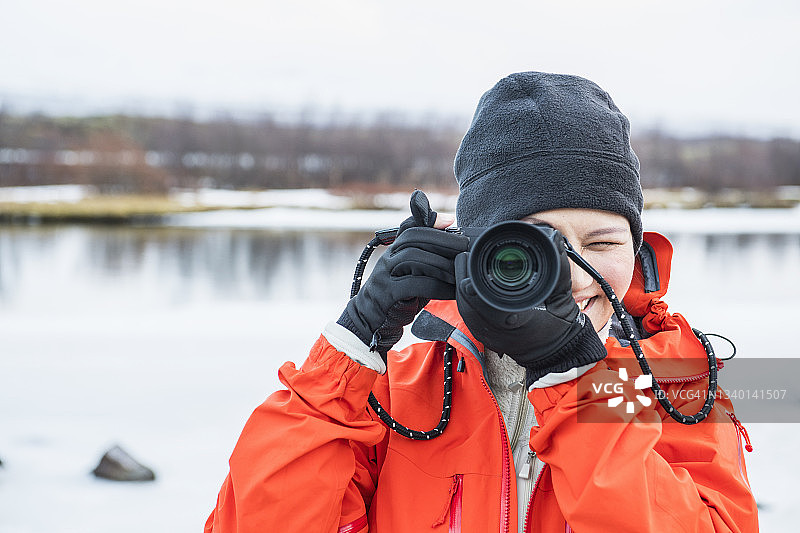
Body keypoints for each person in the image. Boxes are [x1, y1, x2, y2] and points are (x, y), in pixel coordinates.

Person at [205, 72, 759, 532]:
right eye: (532, 248)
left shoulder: (677, 381)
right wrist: (353, 345)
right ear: (476, 246)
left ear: (637, 251)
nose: (570, 276)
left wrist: (576, 380)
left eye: (602, 243)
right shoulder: (394, 391)